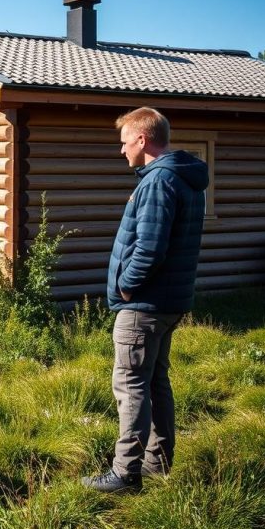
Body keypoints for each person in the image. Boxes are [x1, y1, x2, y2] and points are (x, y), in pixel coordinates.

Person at [82, 107, 208, 493]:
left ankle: (125, 473)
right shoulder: (182, 177)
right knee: (155, 381)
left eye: (124, 143)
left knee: (130, 382)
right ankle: (157, 463)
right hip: (169, 301)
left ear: (142, 139)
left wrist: (126, 286)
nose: (122, 151)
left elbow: (150, 248)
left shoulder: (158, 182)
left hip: (144, 304)